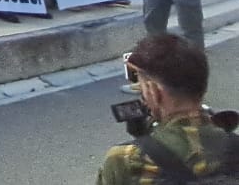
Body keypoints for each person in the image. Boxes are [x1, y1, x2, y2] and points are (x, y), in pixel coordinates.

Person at [96, 35, 233, 185]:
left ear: (153, 92)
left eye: (141, 86)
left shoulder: (124, 160)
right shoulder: (233, 147)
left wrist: (146, 143)